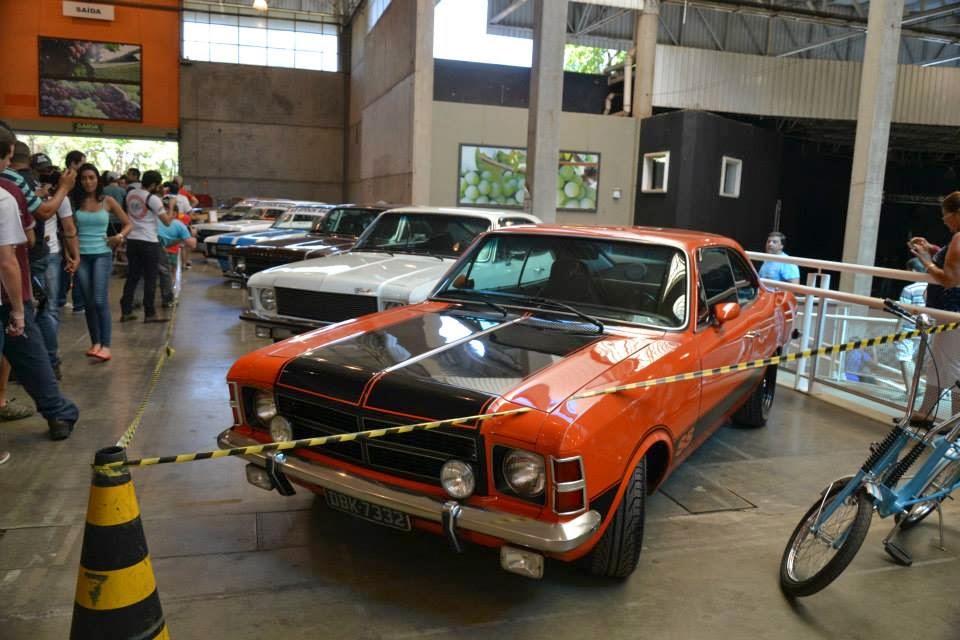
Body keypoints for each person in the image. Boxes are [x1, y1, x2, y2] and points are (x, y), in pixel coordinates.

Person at [0, 127, 79, 440]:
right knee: (30, 350)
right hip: (9, 290)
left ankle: (57, 411)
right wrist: (19, 310)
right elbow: (24, 241)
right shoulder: (10, 189)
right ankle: (58, 413)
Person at [908, 191, 960, 421]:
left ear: (956, 213)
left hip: (952, 314)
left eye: (945, 215)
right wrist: (933, 249)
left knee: (951, 365)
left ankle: (954, 424)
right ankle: (926, 413)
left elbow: (950, 279)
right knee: (939, 362)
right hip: (950, 313)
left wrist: (926, 262)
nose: (944, 220)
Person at [71, 164, 131, 361]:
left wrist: (119, 237)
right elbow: (68, 230)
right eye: (84, 178)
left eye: (91, 177)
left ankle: (106, 345)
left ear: (98, 180)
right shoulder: (75, 202)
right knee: (88, 302)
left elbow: (128, 223)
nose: (88, 181)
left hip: (102, 254)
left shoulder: (107, 200)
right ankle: (95, 343)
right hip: (80, 256)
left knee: (99, 300)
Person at [121, 170, 173, 322]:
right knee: (150, 277)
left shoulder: (130, 194)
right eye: (158, 185)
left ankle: (126, 311)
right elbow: (167, 222)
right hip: (149, 241)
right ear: (153, 185)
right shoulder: (153, 199)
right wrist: (171, 206)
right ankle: (150, 313)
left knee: (133, 276)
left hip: (132, 240)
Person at [895, 258, 929, 391]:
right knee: (910, 358)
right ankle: (916, 388)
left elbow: (903, 312)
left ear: (913, 271)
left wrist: (897, 331)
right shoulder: (931, 287)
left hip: (909, 329)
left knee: (904, 358)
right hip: (926, 329)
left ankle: (910, 391)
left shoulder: (909, 289)